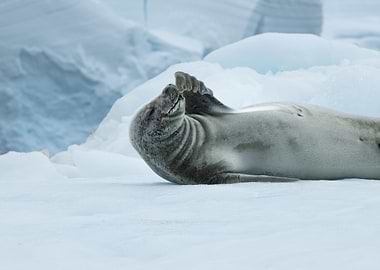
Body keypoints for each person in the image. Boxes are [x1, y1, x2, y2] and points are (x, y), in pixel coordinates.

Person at [244, 0, 323, 37]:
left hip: (269, 50)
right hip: (302, 55)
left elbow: (252, 25)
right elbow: (316, 32)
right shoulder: (314, 4)